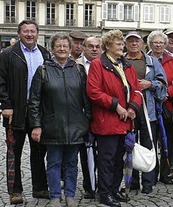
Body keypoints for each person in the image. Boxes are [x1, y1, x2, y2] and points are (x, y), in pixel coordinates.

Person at [27, 32, 90, 207]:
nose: (62, 49)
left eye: (65, 46)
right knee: (53, 162)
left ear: (70, 49)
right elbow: (34, 101)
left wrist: (88, 120)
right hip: (52, 124)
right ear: (52, 49)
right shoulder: (43, 70)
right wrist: (36, 125)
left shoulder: (78, 70)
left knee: (71, 163)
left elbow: (86, 99)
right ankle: (55, 195)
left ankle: (70, 194)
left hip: (76, 124)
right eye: (58, 46)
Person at [87, 29, 143, 207]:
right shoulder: (98, 64)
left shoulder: (126, 65)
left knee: (120, 158)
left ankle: (114, 189)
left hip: (125, 121)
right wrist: (116, 105)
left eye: (121, 43)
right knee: (107, 160)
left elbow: (136, 90)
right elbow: (94, 92)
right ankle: (104, 193)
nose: (121, 46)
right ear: (108, 46)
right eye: (117, 43)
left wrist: (133, 107)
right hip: (107, 121)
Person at [0, 19, 51, 204]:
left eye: (32, 31)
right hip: (15, 111)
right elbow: (1, 81)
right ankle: (15, 191)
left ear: (38, 33)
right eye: (25, 31)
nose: (29, 34)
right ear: (19, 34)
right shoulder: (8, 54)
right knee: (14, 151)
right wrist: (5, 104)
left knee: (39, 151)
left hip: (38, 111)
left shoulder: (45, 54)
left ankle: (39, 187)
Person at [125, 31, 168, 194]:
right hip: (129, 111)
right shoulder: (121, 61)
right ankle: (133, 181)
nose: (134, 44)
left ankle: (148, 183)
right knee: (130, 146)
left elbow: (162, 83)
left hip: (148, 111)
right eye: (130, 41)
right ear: (126, 44)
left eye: (136, 41)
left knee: (148, 146)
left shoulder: (151, 61)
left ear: (142, 44)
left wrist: (150, 84)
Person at [148, 30, 173, 183]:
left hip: (167, 106)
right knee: (151, 141)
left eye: (161, 42)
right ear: (150, 44)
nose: (159, 45)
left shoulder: (171, 61)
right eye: (156, 42)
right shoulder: (145, 59)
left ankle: (166, 172)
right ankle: (151, 174)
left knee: (168, 140)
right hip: (149, 105)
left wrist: (167, 93)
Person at [75, 36, 102, 199]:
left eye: (97, 46)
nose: (94, 49)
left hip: (103, 114)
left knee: (105, 153)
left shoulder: (107, 64)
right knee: (86, 153)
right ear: (84, 48)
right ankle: (89, 186)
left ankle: (103, 184)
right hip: (82, 116)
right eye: (90, 46)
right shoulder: (76, 65)